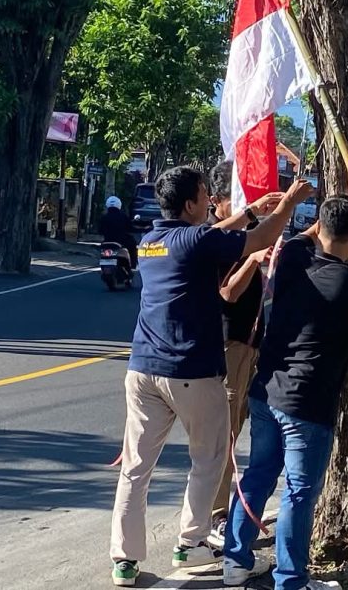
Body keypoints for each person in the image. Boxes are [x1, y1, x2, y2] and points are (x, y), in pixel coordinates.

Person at [221, 170, 348, 590]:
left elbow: (314, 231)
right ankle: (290, 580)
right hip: (308, 402)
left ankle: (235, 561)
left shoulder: (292, 255)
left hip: (266, 391)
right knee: (299, 491)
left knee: (259, 474)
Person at [110, 166, 313, 587]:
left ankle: (124, 560)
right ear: (190, 204)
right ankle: (191, 542)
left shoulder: (151, 241)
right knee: (210, 458)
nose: (209, 201)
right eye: (204, 195)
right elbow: (259, 240)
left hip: (142, 369)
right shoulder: (197, 240)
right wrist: (289, 204)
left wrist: (249, 212)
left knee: (136, 467)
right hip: (191, 371)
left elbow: (209, 234)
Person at [205, 160, 268, 548]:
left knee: (241, 426)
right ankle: (214, 516)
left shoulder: (240, 234)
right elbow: (227, 293)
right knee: (224, 436)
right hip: (229, 345)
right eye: (238, 197)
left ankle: (225, 510)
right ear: (216, 200)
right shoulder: (214, 238)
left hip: (251, 342)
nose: (246, 204)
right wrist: (253, 259)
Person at [100, 195, 139, 268]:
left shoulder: (104, 217)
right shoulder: (123, 216)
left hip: (107, 241)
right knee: (133, 243)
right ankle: (133, 265)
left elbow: (100, 230)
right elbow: (130, 228)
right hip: (122, 242)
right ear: (119, 204)